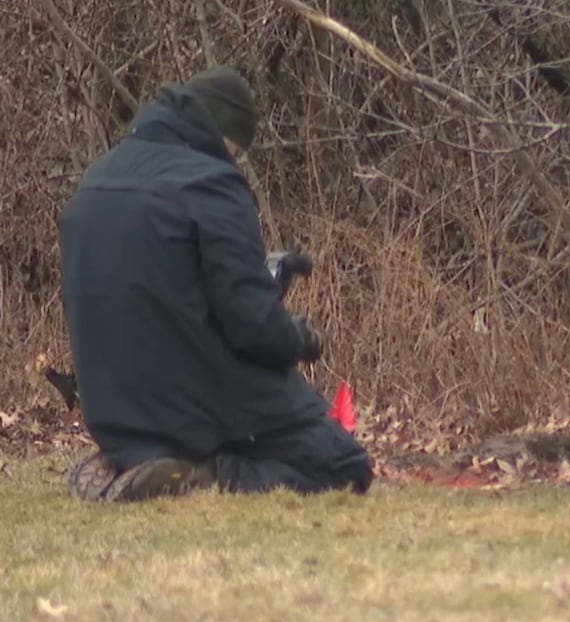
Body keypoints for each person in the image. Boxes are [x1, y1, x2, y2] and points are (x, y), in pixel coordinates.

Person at [57, 65, 374, 502]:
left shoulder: (97, 179)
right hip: (193, 407)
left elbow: (165, 290)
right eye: (237, 151)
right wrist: (297, 339)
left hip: (113, 412)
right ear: (222, 135)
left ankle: (130, 463)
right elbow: (252, 326)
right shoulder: (209, 182)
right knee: (342, 463)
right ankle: (199, 476)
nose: (234, 161)